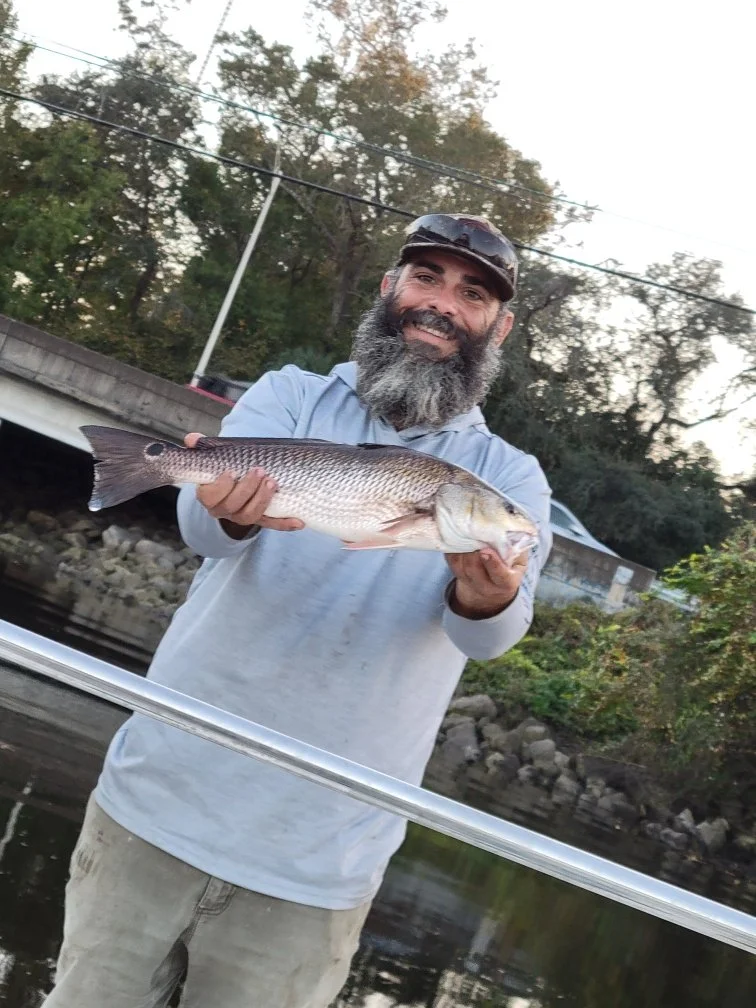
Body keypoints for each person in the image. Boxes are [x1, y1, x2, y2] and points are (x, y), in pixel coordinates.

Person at [44, 213, 553, 1007]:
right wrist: (233, 507)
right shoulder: (286, 396)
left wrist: (486, 595)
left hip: (317, 868)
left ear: (501, 326)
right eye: (426, 278)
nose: (442, 305)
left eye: (473, 293)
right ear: (390, 289)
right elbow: (204, 533)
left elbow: (492, 636)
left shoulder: (510, 483)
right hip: (154, 810)